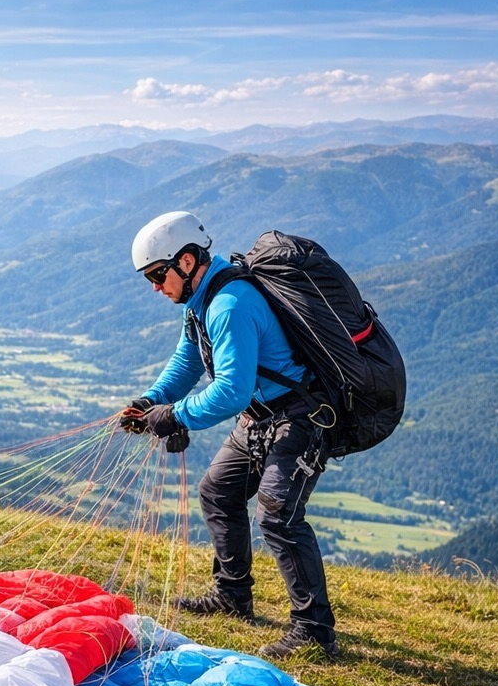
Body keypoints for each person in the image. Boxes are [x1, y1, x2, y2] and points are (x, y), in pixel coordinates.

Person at [120, 210, 337, 660]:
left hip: (298, 417)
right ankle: (232, 597)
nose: (156, 287)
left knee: (278, 516)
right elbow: (187, 364)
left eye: (158, 276)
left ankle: (315, 631)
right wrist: (149, 403)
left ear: (184, 261)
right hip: (262, 418)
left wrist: (176, 417)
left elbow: (230, 392)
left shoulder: (229, 305)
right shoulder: (201, 302)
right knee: (218, 492)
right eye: (149, 280)